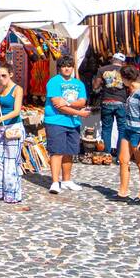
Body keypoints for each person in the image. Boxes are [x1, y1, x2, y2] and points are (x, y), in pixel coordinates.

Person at [44, 58, 89, 194]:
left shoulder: (79, 84)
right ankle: (55, 182)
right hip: (56, 121)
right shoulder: (54, 82)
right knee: (57, 151)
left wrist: (68, 104)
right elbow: (58, 105)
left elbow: (82, 101)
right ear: (59, 68)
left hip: (73, 122)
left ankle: (67, 180)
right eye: (64, 66)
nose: (67, 69)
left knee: (70, 151)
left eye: (69, 66)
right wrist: (78, 112)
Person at [0, 64, 26, 205]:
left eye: (4, 75)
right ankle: (4, 186)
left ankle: (13, 193)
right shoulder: (1, 89)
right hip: (3, 127)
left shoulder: (17, 89)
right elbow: (2, 110)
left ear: (11, 74)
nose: (1, 78)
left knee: (11, 161)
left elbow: (16, 111)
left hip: (14, 128)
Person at [115, 65, 140, 205]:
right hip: (128, 129)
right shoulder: (131, 91)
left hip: (139, 132)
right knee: (123, 160)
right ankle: (123, 192)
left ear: (126, 78)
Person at [94, 52, 129, 156]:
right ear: (123, 62)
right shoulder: (125, 70)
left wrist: (96, 84)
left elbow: (96, 86)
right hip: (121, 101)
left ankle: (106, 154)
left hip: (107, 101)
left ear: (112, 59)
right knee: (122, 129)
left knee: (106, 128)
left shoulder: (102, 69)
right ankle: (120, 155)